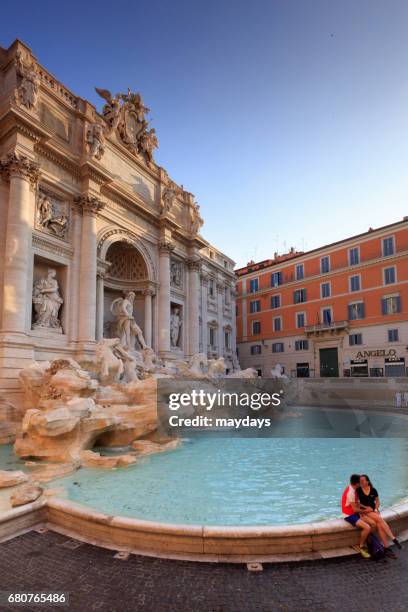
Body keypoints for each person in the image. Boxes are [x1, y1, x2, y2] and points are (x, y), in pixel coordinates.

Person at [357, 474, 401, 557]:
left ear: (367, 481)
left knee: (379, 524)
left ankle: (386, 547)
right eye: (360, 481)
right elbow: (357, 503)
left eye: (363, 480)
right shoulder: (358, 490)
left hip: (372, 511)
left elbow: (377, 501)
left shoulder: (373, 490)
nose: (361, 482)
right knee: (380, 520)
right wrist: (363, 510)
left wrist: (376, 509)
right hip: (365, 512)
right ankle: (393, 538)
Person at [341, 474, 372, 558]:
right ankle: (361, 546)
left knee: (373, 522)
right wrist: (365, 511)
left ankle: (370, 542)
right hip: (349, 515)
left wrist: (366, 508)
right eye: (360, 482)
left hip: (354, 513)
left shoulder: (354, 489)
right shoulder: (350, 492)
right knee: (367, 527)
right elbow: (355, 509)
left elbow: (357, 503)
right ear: (357, 483)